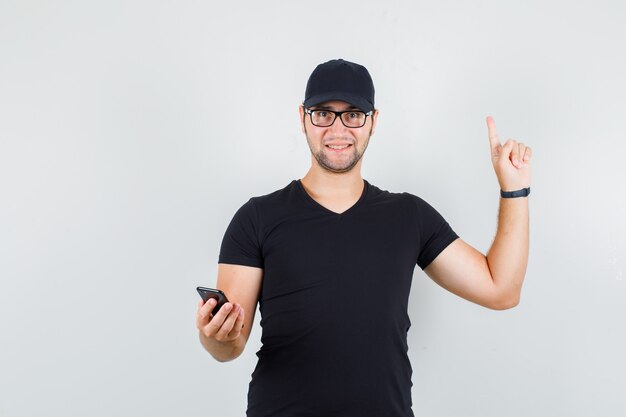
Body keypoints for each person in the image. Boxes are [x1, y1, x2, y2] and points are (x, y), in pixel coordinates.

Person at [196, 59, 532, 417]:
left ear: (373, 121)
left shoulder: (409, 216)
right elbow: (228, 344)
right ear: (302, 118)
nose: (337, 129)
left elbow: (501, 291)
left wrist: (515, 190)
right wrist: (217, 336)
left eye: (353, 114)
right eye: (323, 113)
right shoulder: (257, 218)